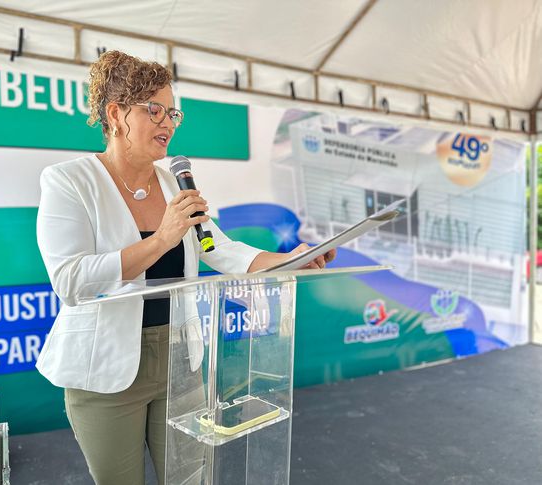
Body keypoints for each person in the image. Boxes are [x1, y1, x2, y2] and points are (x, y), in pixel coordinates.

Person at [35, 50, 336, 485]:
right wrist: (161, 239)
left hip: (180, 361)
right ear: (116, 114)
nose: (169, 123)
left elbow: (222, 250)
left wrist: (292, 260)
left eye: (172, 113)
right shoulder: (69, 181)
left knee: (191, 478)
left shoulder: (173, 182)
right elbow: (70, 281)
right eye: (154, 110)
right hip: (104, 371)